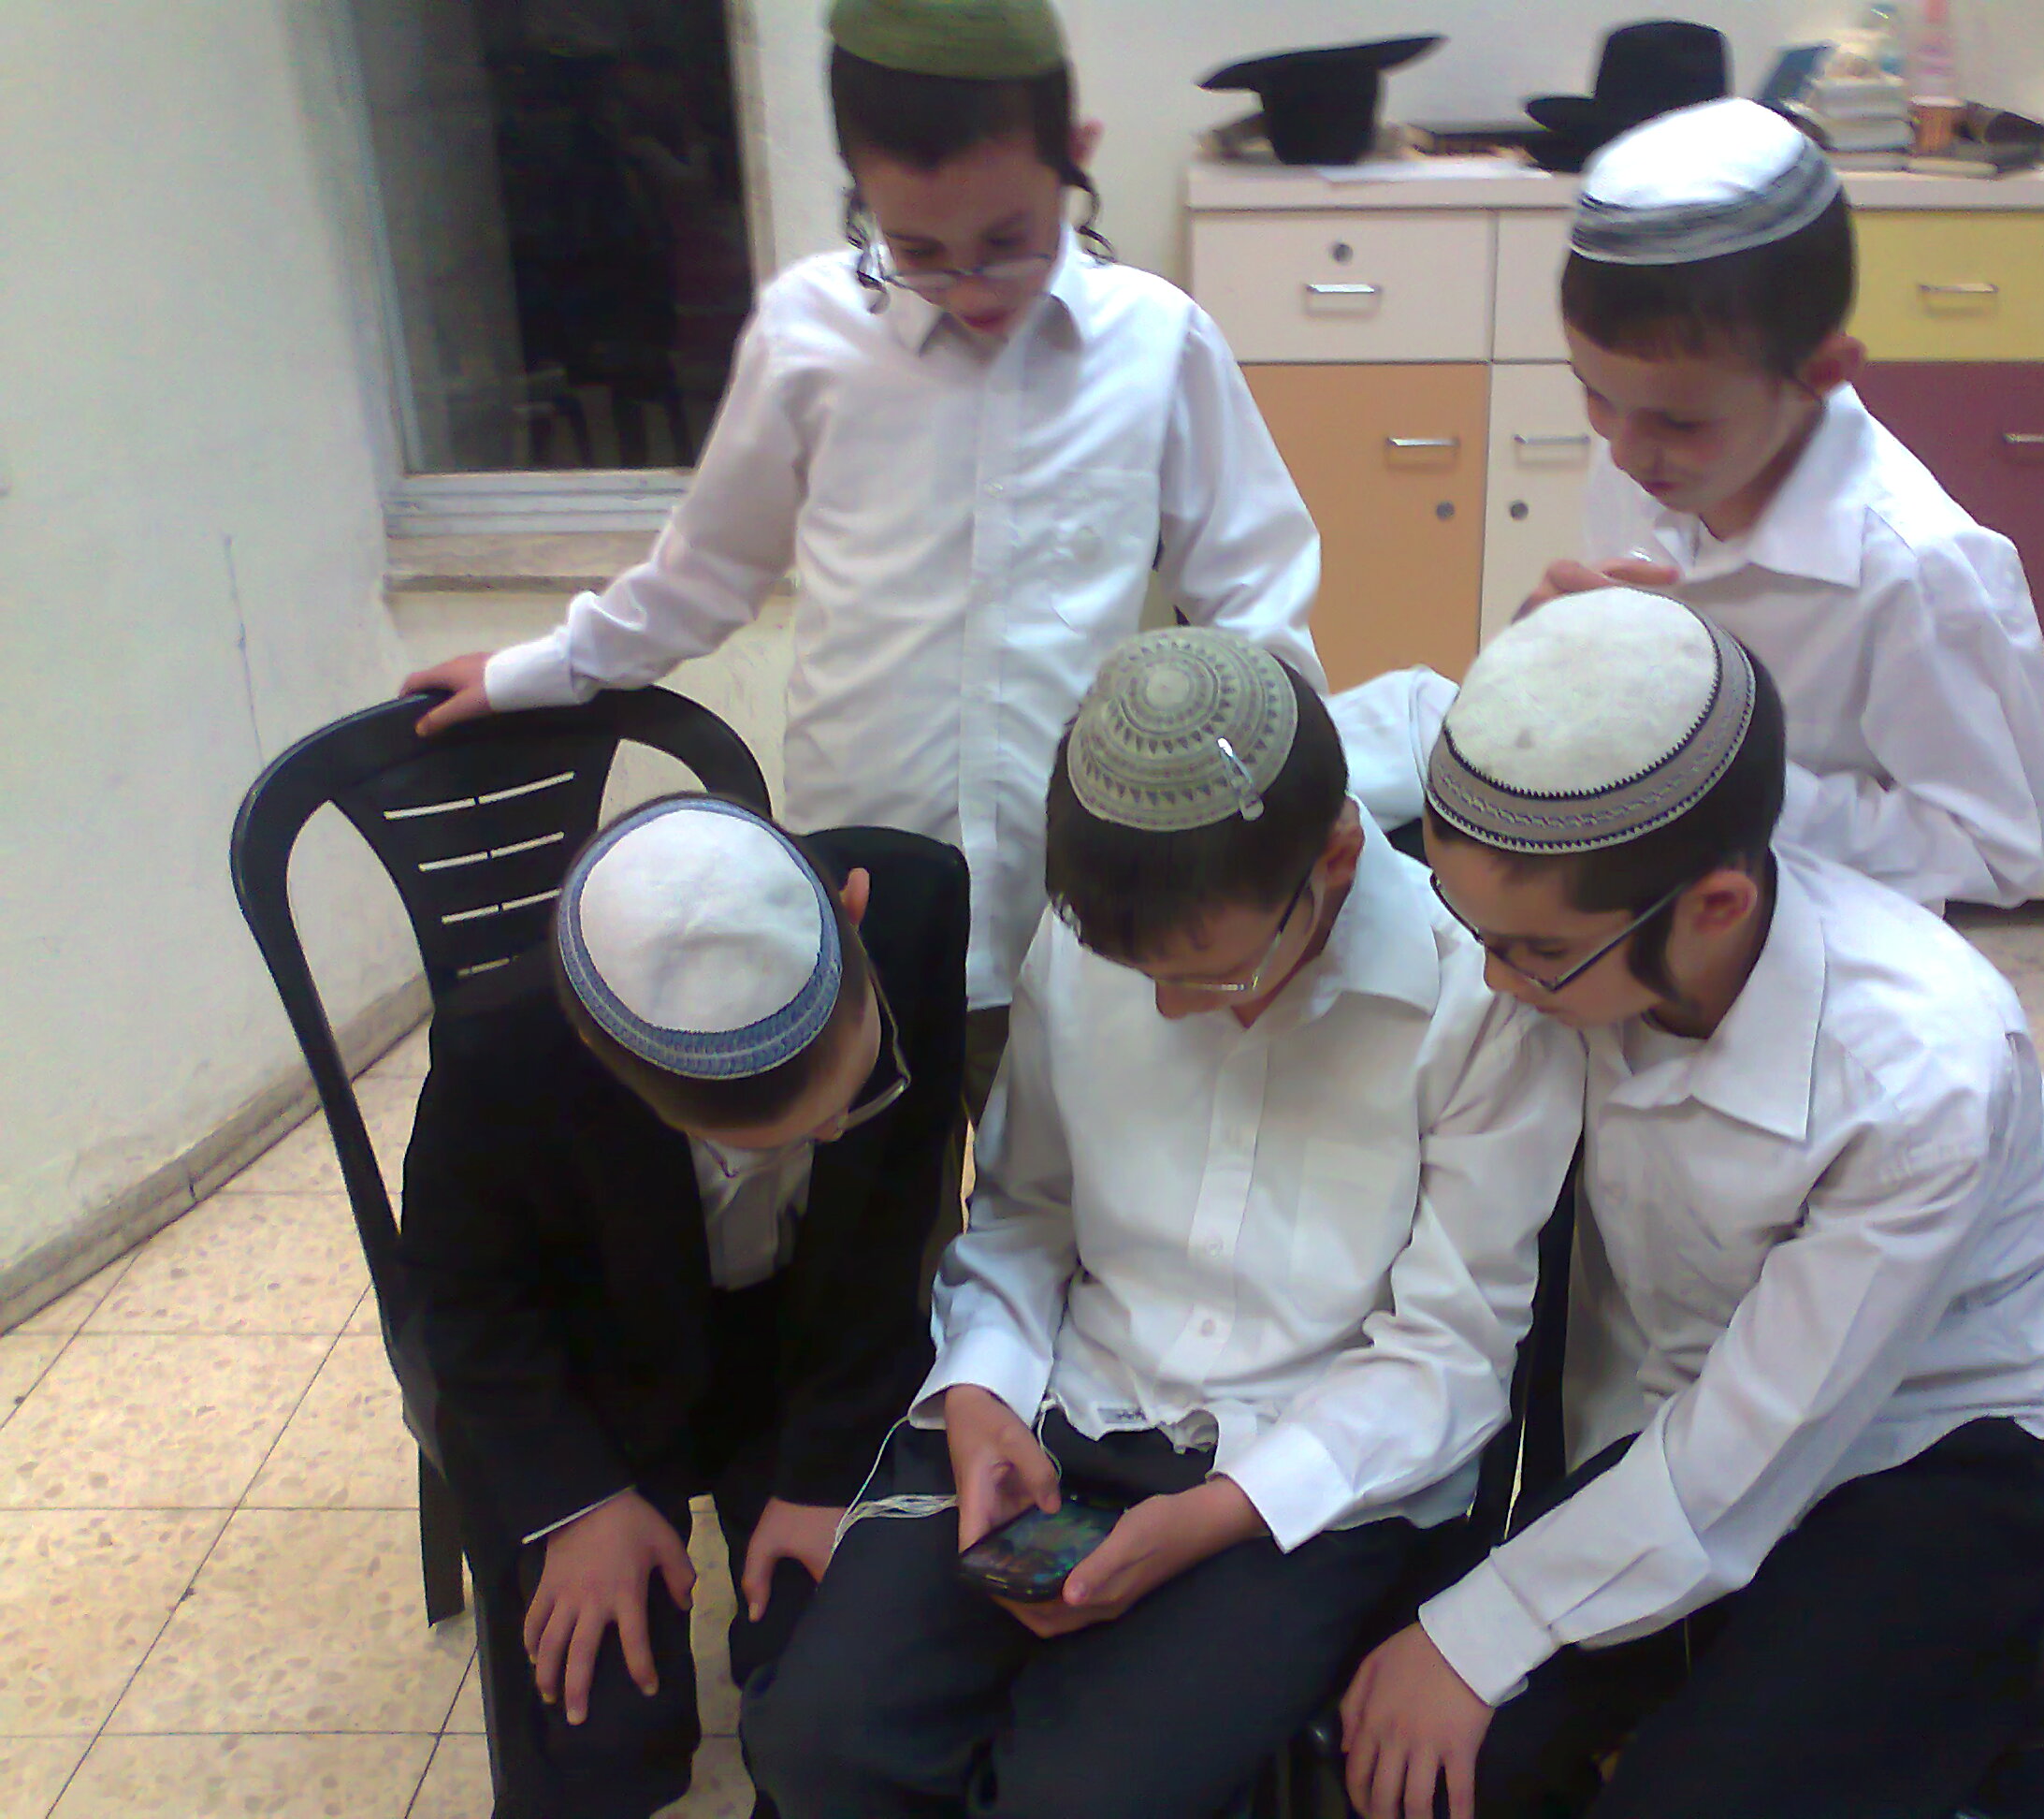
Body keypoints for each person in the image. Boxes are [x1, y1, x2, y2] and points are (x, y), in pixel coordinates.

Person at [400, 0, 1322, 1124]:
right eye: (919, 252)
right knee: (873, 1199)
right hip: (859, 899)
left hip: (1080, 904)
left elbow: (1255, 596)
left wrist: (1284, 821)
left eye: (1010, 240)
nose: (971, 290)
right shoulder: (807, 334)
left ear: (1075, 158)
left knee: (1082, 1191)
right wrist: (538, 669)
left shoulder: (1158, 343)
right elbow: (705, 573)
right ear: (860, 189)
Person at [741, 629, 1581, 1819]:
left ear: (1338, 861)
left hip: (1306, 1474)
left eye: (1217, 975)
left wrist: (1211, 1519)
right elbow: (1025, 1213)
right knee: (819, 1745)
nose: (1175, 1012)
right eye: (1142, 979)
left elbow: (1450, 1352)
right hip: (1069, 1404)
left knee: (1080, 1798)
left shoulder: (1474, 1004)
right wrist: (980, 1400)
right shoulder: (1094, 937)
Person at [1341, 591, 2044, 1819]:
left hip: (1920, 1448)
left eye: (1533, 952)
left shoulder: (1918, 1072)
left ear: (1717, 905)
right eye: (1474, 931)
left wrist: (1484, 1627)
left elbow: (1767, 1432)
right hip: (1678, 1417)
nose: (1494, 980)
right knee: (1429, 1767)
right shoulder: (1572, 948)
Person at [393, 796, 966, 1818]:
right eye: (768, 1141)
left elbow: (894, 1231)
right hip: (603, 1364)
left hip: (815, 1347)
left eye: (854, 1092)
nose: (835, 1133)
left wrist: (824, 1471)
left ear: (852, 908)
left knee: (844, 1689)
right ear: (600, 1052)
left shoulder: (913, 913)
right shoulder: (502, 1049)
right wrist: (577, 1503)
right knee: (596, 1721)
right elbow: (466, 1307)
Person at [1333, 97, 2044, 912]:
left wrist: (1714, 769)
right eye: (1596, 395)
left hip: (1812, 945)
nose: (1626, 451)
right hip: (1638, 917)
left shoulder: (1919, 571)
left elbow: (1998, 849)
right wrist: (1545, 659)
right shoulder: (1654, 463)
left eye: (1680, 422)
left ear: (1821, 373)